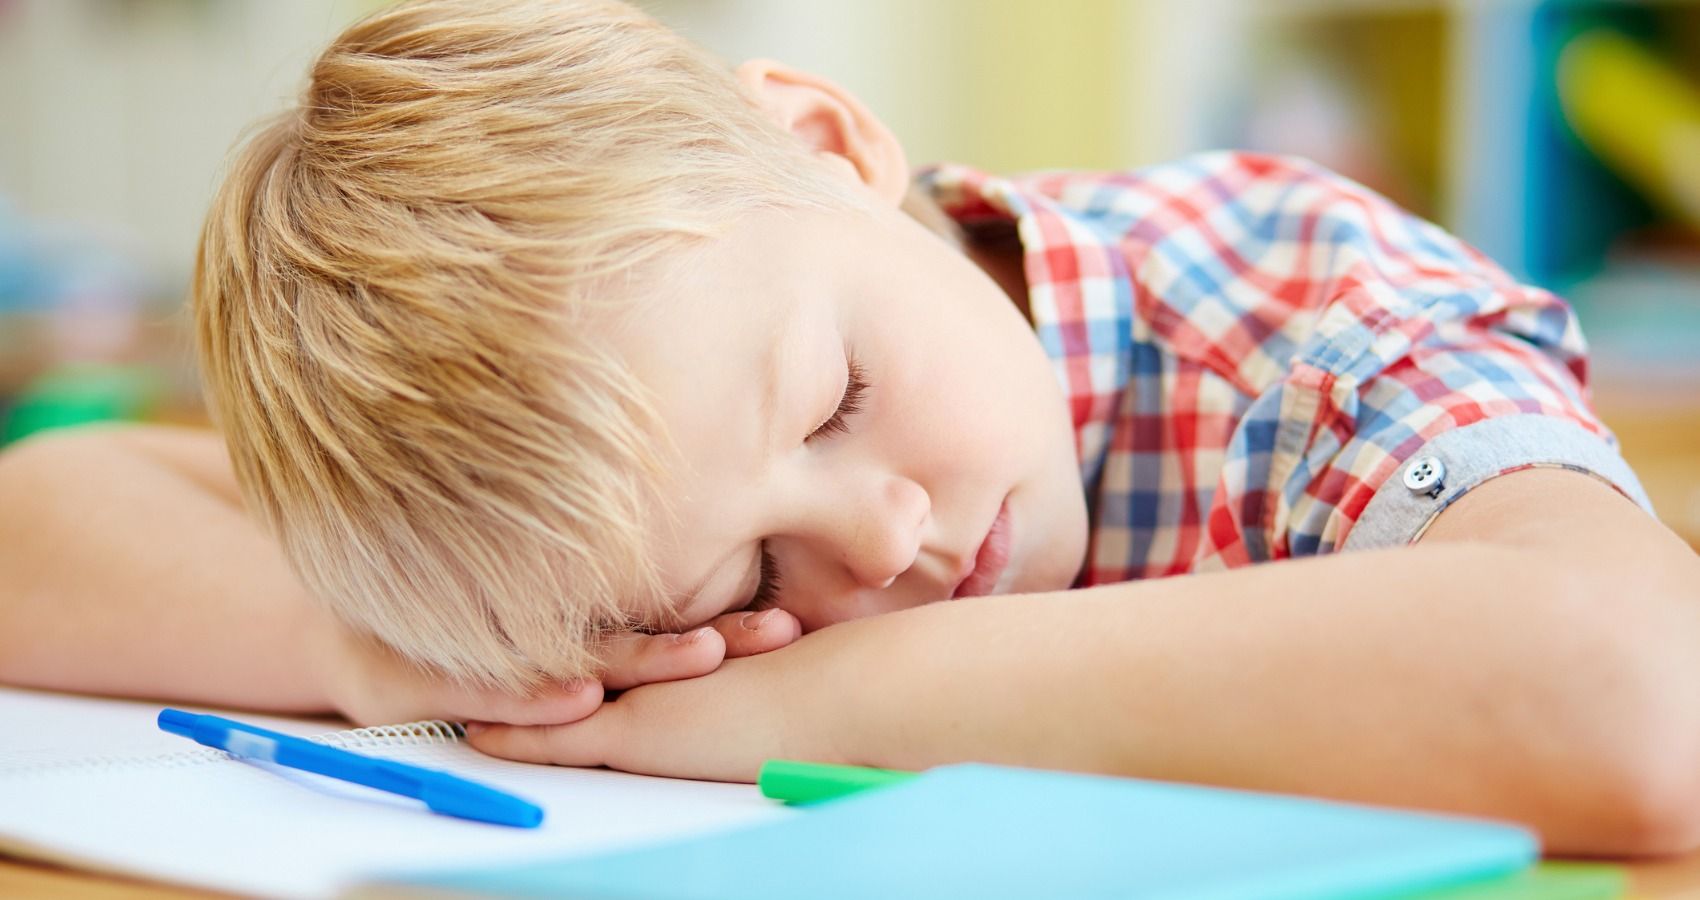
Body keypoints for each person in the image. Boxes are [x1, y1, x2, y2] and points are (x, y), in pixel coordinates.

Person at [2, 0, 1697, 857]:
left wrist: (794, 694)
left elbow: (1644, 702)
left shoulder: (1295, 318)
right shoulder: (622, 463)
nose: (879, 542)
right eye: (741, 571)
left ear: (826, 142)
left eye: (839, 399)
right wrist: (372, 649)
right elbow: (40, 516)